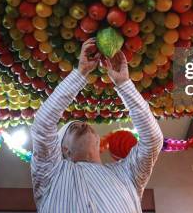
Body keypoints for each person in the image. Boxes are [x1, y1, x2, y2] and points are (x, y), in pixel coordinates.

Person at [30, 38, 164, 213]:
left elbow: (153, 141)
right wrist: (81, 73)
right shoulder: (51, 175)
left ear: (98, 140)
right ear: (63, 150)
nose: (83, 125)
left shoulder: (127, 174)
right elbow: (42, 127)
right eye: (73, 128)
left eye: (82, 124)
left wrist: (123, 83)